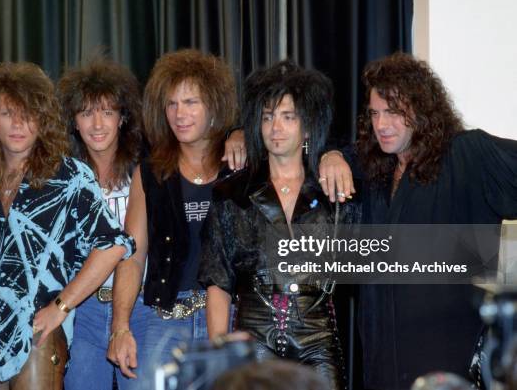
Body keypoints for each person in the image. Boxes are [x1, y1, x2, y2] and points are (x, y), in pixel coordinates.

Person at [319, 52, 517, 389]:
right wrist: (331, 155)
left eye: (394, 112)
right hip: (383, 364)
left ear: (422, 110)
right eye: (375, 113)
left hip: (450, 360)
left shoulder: (467, 154)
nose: (382, 124)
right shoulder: (374, 169)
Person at [0, 62, 134, 389]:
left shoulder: (70, 177)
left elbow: (113, 244)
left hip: (38, 333)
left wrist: (61, 306)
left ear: (42, 119)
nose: (17, 124)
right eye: (7, 113)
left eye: (27, 114)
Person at [198, 60, 358, 389]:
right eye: (268, 116)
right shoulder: (231, 194)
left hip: (319, 336)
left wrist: (336, 156)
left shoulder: (335, 193)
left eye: (288, 117)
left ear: (308, 126)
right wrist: (220, 354)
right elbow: (218, 282)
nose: (276, 128)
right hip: (253, 334)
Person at [108, 49, 239, 384]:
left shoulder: (239, 168)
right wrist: (120, 327)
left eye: (191, 102)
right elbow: (133, 255)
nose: (180, 113)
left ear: (214, 106)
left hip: (231, 317)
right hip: (164, 319)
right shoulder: (150, 173)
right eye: (172, 104)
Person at [55, 58, 155, 390]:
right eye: (86, 113)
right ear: (73, 122)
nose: (97, 124)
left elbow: (199, 144)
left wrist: (236, 135)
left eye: (107, 112)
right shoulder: (61, 175)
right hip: (82, 311)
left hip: (141, 308)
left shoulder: (150, 168)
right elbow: (11, 147)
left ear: (123, 117)